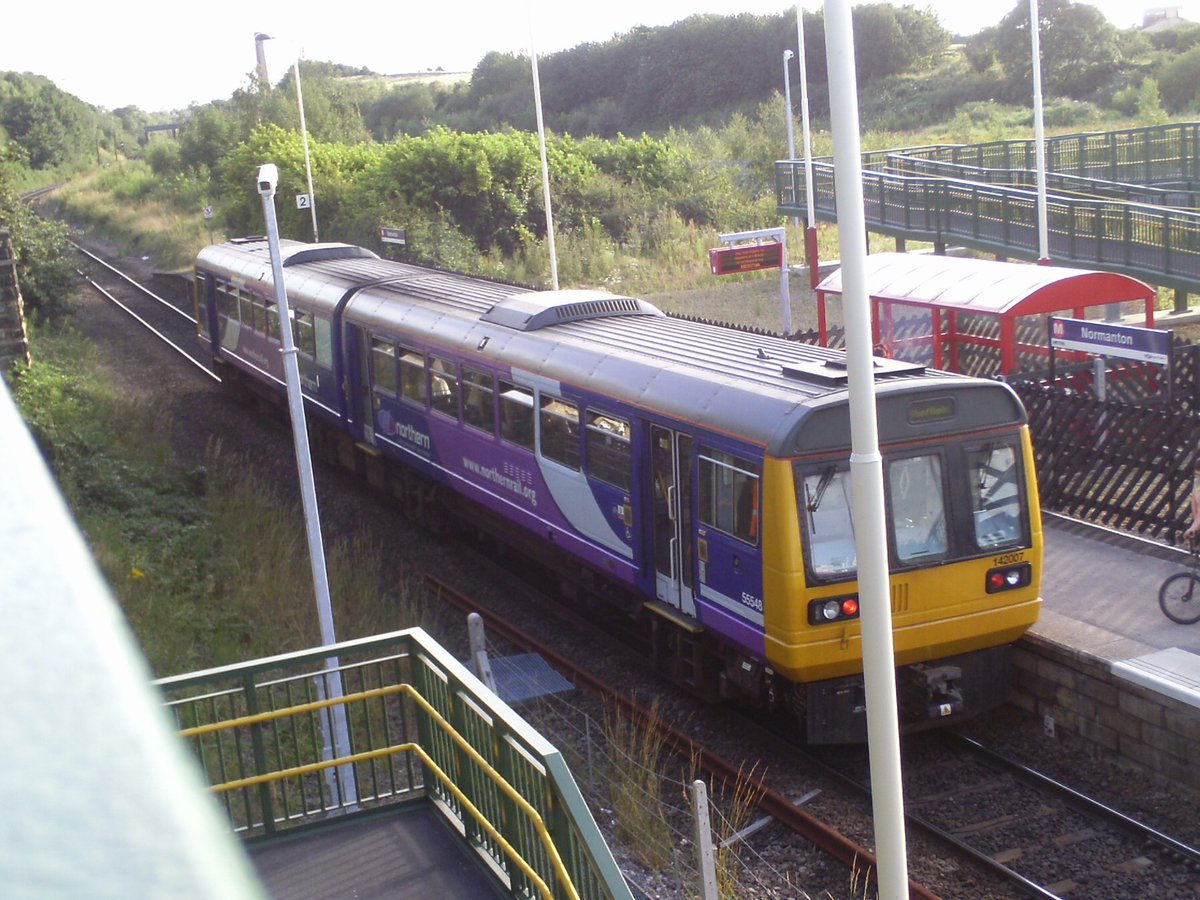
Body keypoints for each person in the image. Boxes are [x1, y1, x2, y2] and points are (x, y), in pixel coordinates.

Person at [1186, 456, 1200, 542]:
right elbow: (1194, 502)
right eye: (1197, 475)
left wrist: (1193, 527)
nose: (1199, 478)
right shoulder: (1196, 482)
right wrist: (1196, 525)